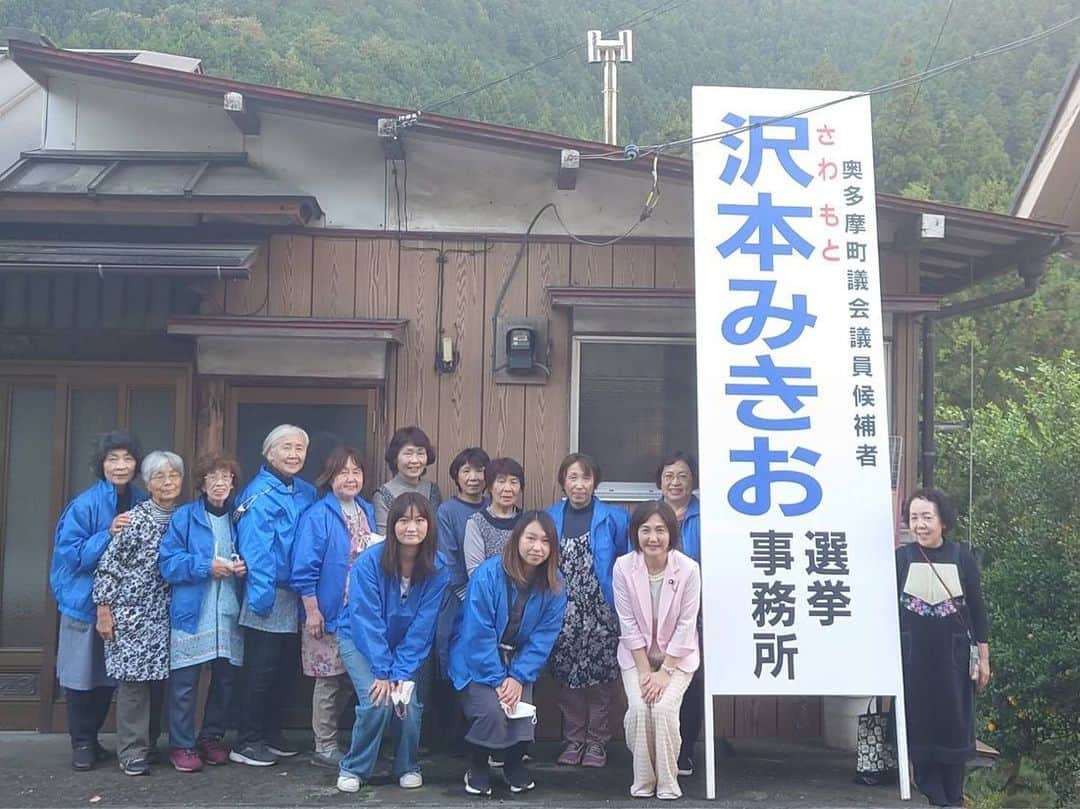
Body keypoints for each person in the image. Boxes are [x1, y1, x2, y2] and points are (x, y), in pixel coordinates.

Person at [336, 492, 450, 793]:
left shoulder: (438, 568)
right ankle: (354, 767)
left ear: (429, 526)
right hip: (359, 641)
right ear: (392, 525)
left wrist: (400, 672)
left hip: (404, 649)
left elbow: (423, 627)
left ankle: (407, 765)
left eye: (419, 520)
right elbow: (365, 619)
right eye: (403, 520)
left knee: (407, 704)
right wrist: (383, 671)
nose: (411, 527)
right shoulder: (369, 562)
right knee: (378, 700)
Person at [451, 511, 567, 796]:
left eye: (545, 541)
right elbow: (477, 633)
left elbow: (543, 638)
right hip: (476, 658)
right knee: (491, 710)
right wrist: (497, 679)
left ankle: (513, 764)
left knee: (521, 710)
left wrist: (518, 676)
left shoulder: (555, 584)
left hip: (518, 661)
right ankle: (478, 765)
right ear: (516, 539)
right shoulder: (487, 575)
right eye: (530, 538)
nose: (536, 547)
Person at [50, 430, 146, 771]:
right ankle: (82, 744)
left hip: (123, 608)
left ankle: (92, 740)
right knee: (79, 676)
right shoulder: (85, 504)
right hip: (82, 603)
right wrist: (108, 533)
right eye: (112, 459)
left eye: (127, 458)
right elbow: (72, 556)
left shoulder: (139, 500)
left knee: (108, 676)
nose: (120, 466)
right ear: (101, 464)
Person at [897, 488, 990, 808]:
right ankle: (929, 786)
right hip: (913, 656)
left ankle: (954, 791)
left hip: (954, 656)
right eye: (914, 518)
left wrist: (984, 659)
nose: (920, 524)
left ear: (943, 521)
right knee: (919, 716)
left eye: (927, 517)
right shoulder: (902, 558)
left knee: (955, 718)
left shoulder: (962, 557)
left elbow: (978, 610)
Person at [93, 450, 184, 776]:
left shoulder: (184, 518)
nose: (168, 482)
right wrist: (104, 609)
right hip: (131, 614)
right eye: (159, 476)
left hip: (168, 614)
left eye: (174, 475)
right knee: (133, 685)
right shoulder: (135, 519)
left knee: (161, 683)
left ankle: (151, 745)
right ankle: (131, 751)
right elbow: (108, 567)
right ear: (147, 483)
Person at [231, 425, 317, 766]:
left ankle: (271, 731)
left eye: (300, 448)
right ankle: (247, 739)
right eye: (286, 448)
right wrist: (261, 599)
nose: (294, 454)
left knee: (284, 669)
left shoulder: (305, 491)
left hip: (296, 595)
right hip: (267, 592)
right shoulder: (259, 495)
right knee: (260, 670)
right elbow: (257, 552)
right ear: (269, 453)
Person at [291, 447, 379, 770]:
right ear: (330, 478)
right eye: (343, 472)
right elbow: (303, 569)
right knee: (328, 681)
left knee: (350, 680)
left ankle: (340, 739)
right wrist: (312, 611)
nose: (351, 478)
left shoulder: (366, 511)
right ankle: (324, 745)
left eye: (356, 472)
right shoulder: (318, 515)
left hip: (359, 614)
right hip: (326, 613)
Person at [158, 453, 246, 773]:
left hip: (228, 611)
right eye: (214, 478)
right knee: (185, 683)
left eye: (227, 478)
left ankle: (211, 738)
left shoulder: (238, 517)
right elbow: (168, 564)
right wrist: (205, 566)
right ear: (202, 484)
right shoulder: (185, 517)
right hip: (194, 609)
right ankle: (181, 744)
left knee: (224, 681)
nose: (221, 483)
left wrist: (241, 568)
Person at [545, 452, 629, 768]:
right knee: (568, 681)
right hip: (562, 612)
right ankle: (573, 739)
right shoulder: (549, 517)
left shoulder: (615, 518)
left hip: (602, 612)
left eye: (586, 477)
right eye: (573, 478)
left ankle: (596, 742)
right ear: (563, 483)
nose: (579, 485)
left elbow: (626, 563)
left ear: (595, 482)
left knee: (600, 682)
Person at [613, 501, 701, 800]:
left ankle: (667, 780)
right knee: (639, 709)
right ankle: (643, 779)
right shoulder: (623, 566)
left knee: (662, 710)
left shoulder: (688, 569)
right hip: (636, 657)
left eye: (660, 530)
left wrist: (664, 672)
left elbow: (687, 624)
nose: (653, 538)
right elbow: (626, 622)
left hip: (677, 659)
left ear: (671, 534)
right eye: (645, 530)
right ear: (635, 533)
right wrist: (644, 671)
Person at [432, 447, 490, 746]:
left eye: (479, 471)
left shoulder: (494, 506)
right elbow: (447, 557)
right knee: (451, 656)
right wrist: (467, 594)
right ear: (456, 476)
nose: (473, 477)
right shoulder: (447, 511)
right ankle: (450, 734)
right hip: (457, 598)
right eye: (466, 471)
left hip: (492, 602)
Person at [656, 451, 704, 776]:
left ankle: (685, 750)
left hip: (698, 610)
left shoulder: (708, 515)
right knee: (657, 678)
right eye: (669, 476)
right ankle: (658, 751)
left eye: (682, 476)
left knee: (691, 678)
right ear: (659, 482)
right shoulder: (650, 514)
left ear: (693, 481)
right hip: (656, 611)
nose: (675, 482)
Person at [373, 426, 441, 534]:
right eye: (408, 453)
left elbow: (436, 532)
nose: (414, 460)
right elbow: (384, 537)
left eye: (420, 453)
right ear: (395, 457)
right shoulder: (383, 495)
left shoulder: (433, 490)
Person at [463, 457, 524, 576]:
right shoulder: (476, 522)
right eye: (501, 481)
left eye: (514, 482)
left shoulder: (528, 522)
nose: (507, 489)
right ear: (490, 487)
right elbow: (475, 572)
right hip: (488, 591)